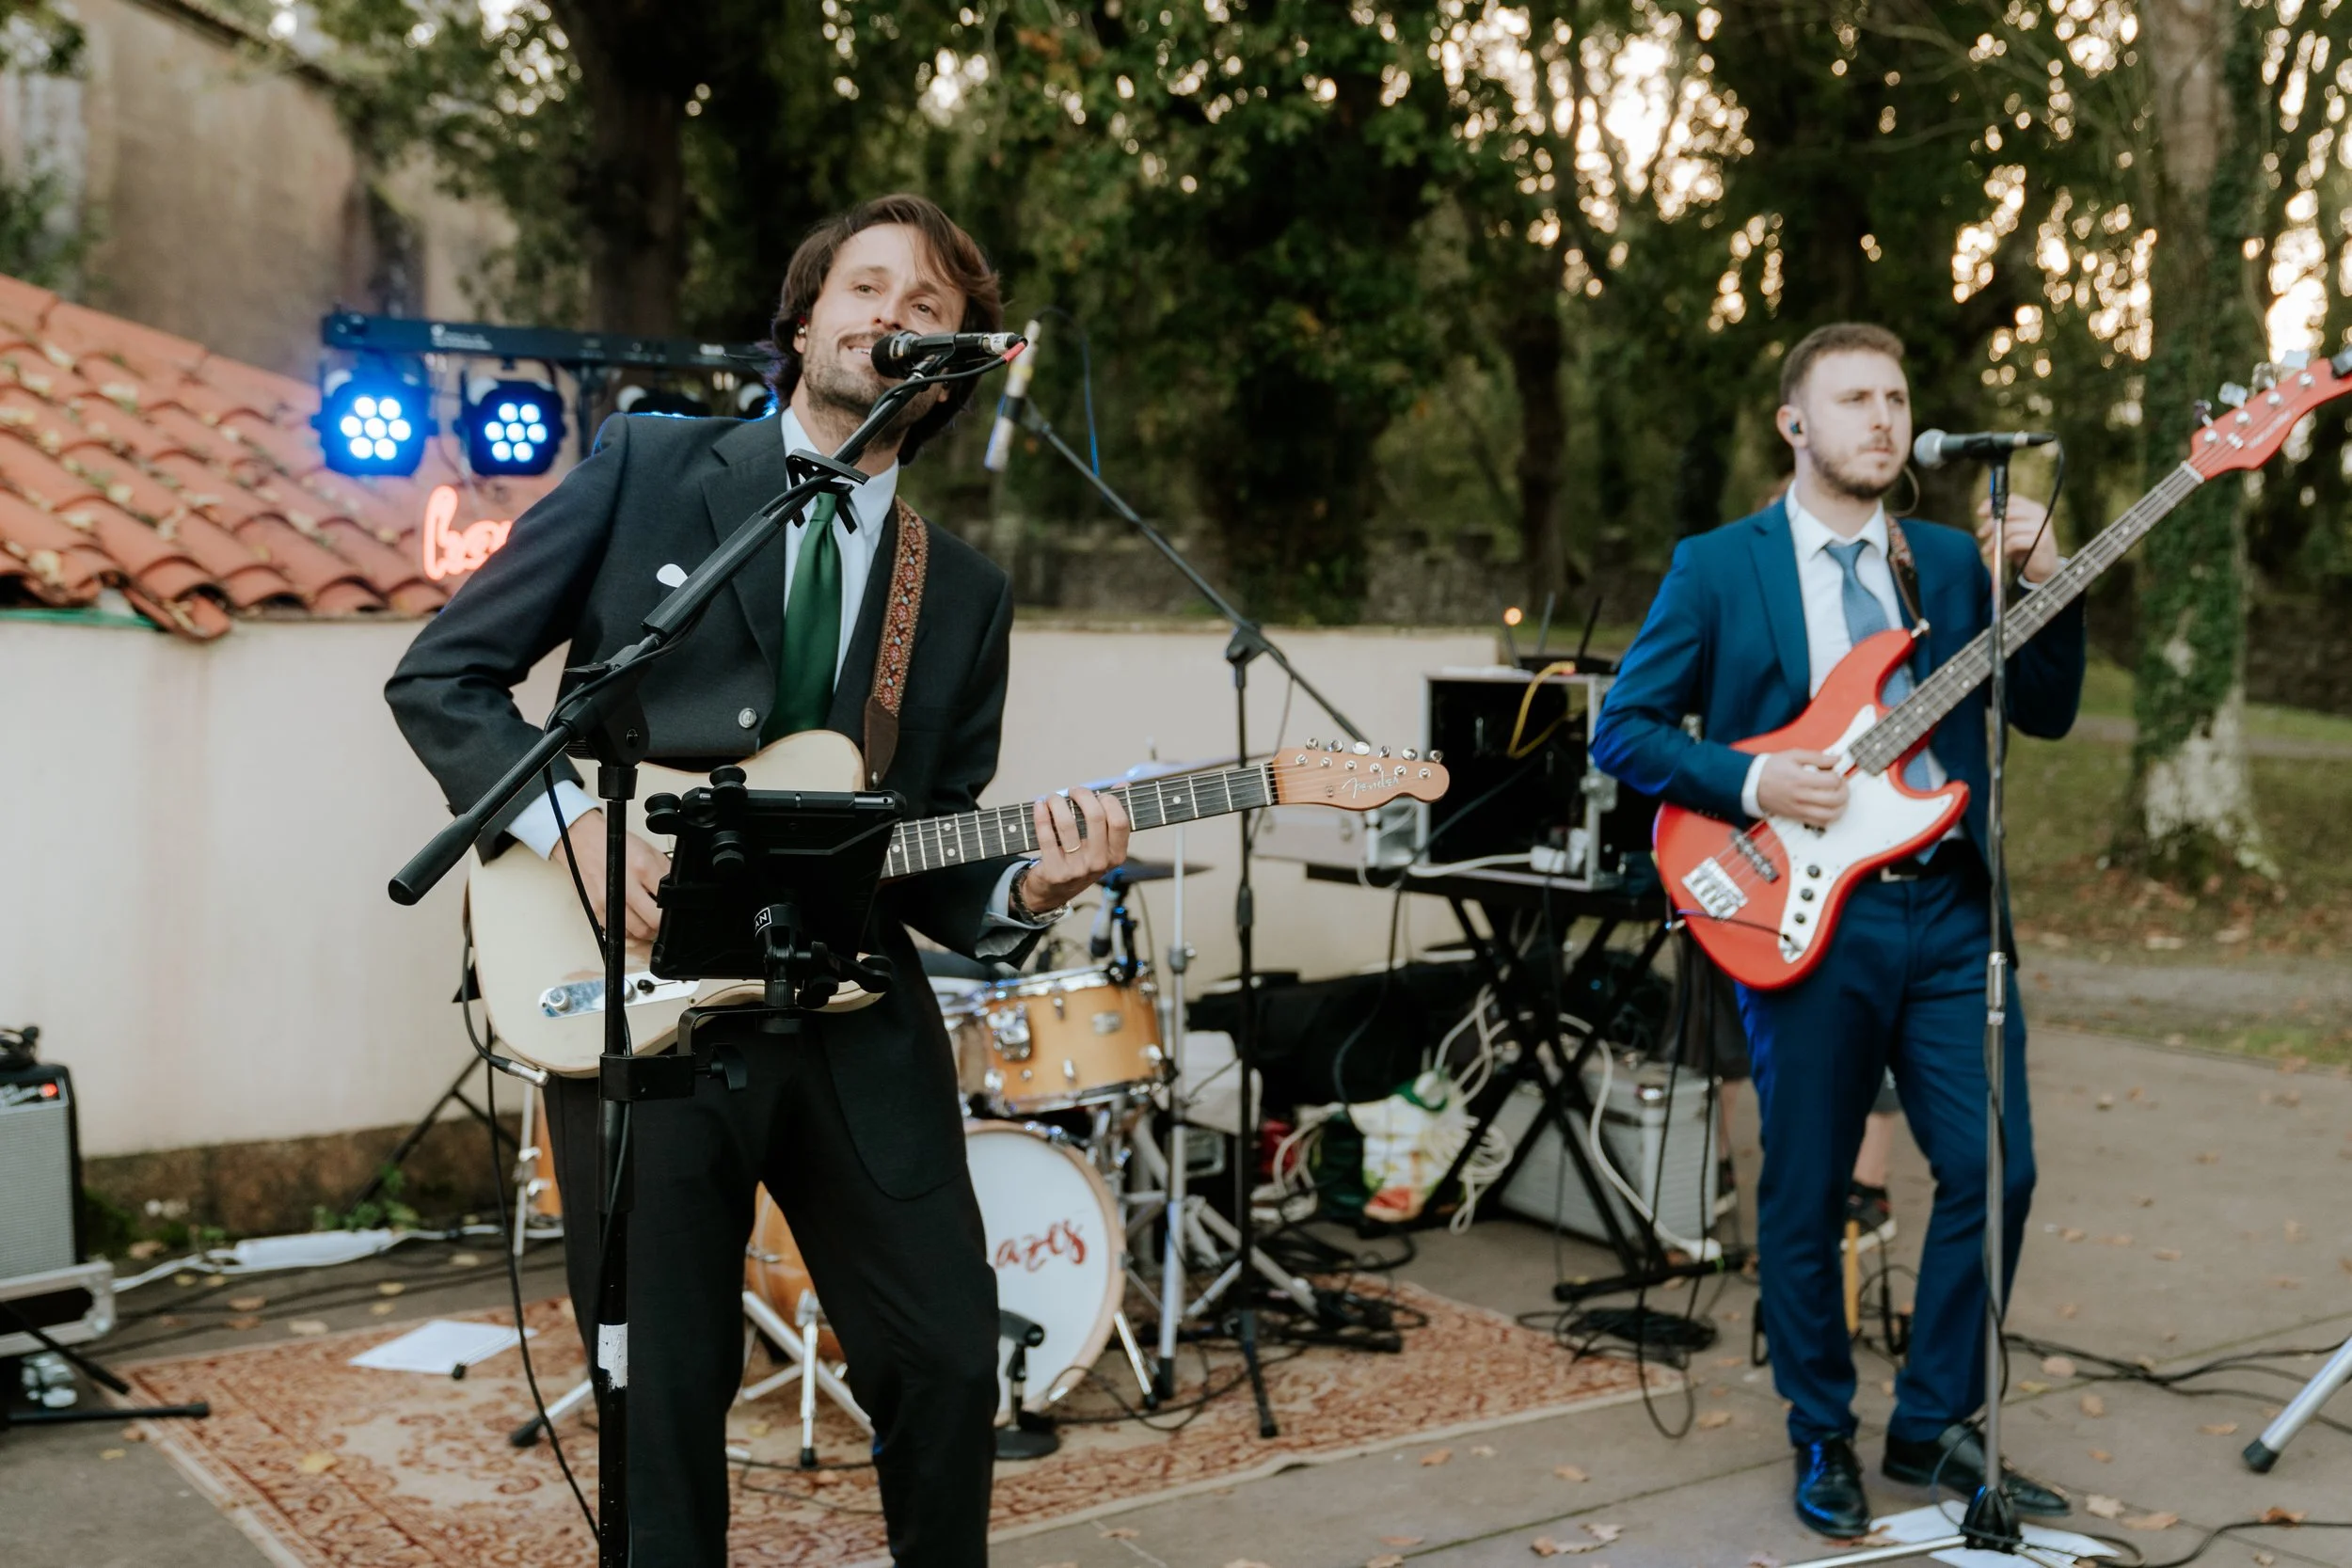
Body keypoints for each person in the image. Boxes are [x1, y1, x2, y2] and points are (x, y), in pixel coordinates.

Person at [388, 193, 1129, 1568]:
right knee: (661, 1392)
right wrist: (576, 834)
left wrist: (1027, 890)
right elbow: (444, 677)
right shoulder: (653, 470)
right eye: (867, 287)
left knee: (952, 1358)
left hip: (852, 1011)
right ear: (803, 322)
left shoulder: (956, 592)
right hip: (648, 1007)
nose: (893, 316)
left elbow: (934, 843)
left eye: (931, 309)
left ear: (957, 364)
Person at [1593, 323, 2084, 1538]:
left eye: (1897, 395)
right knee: (1808, 1187)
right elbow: (1627, 730)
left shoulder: (1948, 566)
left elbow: (2051, 708)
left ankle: (1931, 1416)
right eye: (1853, 396)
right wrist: (1757, 786)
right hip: (1802, 914)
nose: (1881, 415)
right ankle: (1822, 1427)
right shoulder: (1719, 565)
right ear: (1794, 423)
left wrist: (2045, 578)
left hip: (1951, 909)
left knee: (1995, 1169)